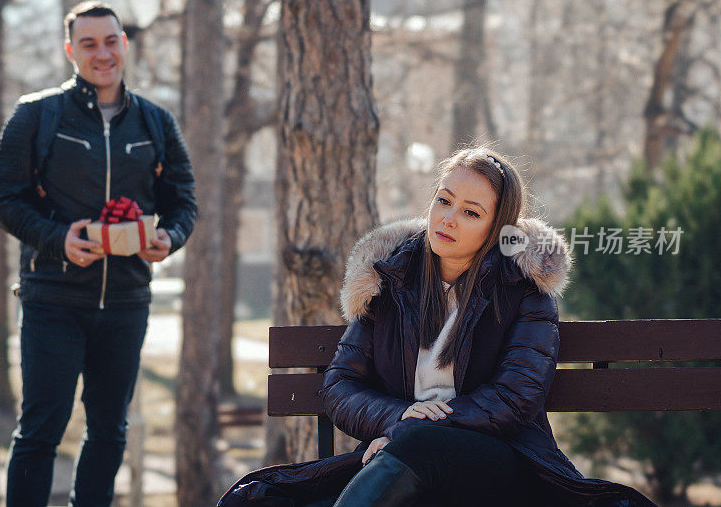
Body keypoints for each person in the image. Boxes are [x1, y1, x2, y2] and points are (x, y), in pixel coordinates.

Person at [219, 149, 653, 506]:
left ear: (497, 228)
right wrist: (398, 419)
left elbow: (516, 398)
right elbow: (339, 385)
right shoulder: (392, 281)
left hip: (499, 466)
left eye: (470, 212)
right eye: (443, 201)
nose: (448, 219)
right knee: (256, 501)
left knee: (422, 448)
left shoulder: (523, 290)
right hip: (399, 456)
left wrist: (410, 433)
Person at [0, 1, 196, 507]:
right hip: (52, 299)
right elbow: (0, 201)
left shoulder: (155, 121)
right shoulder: (36, 115)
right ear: (70, 51)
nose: (102, 53)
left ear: (123, 44)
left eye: (110, 41)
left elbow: (184, 202)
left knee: (109, 429)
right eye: (88, 44)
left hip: (125, 301)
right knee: (41, 430)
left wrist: (169, 237)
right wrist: (59, 239)